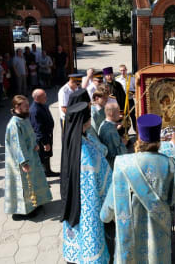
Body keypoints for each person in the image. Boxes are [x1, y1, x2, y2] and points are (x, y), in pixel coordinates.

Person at [100, 114, 175, 263]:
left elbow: (113, 198)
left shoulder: (123, 164)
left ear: (139, 139)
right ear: (159, 140)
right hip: (159, 225)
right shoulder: (172, 164)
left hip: (132, 225)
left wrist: (105, 215)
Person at [61, 102, 112, 264]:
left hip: (73, 199)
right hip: (89, 201)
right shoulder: (87, 151)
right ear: (85, 122)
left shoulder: (70, 140)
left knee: (76, 231)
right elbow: (102, 174)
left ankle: (75, 256)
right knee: (90, 231)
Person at [5, 95, 52, 220]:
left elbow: (30, 133)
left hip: (31, 155)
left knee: (34, 181)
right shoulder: (14, 124)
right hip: (21, 162)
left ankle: (35, 203)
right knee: (25, 184)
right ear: (17, 107)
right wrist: (23, 162)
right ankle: (25, 211)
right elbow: (17, 145)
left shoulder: (24, 118)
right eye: (25, 106)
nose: (28, 107)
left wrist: (35, 144)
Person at [29, 89, 58, 177]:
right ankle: (41, 178)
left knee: (47, 155)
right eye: (44, 96)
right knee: (41, 158)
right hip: (41, 139)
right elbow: (38, 129)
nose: (46, 97)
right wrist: (45, 143)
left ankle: (48, 171)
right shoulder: (35, 110)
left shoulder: (42, 105)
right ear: (37, 98)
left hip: (47, 135)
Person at [98, 103, 127, 169]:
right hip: (114, 165)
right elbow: (115, 154)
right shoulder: (110, 132)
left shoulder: (104, 123)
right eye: (118, 112)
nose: (120, 115)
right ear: (111, 113)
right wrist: (123, 143)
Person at [115, 64, 137, 132]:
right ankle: (125, 133)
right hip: (122, 102)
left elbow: (136, 89)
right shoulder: (117, 80)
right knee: (124, 118)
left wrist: (134, 93)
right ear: (119, 71)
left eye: (124, 70)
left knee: (133, 116)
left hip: (130, 100)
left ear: (126, 70)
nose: (122, 72)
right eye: (121, 70)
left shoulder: (132, 78)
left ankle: (136, 131)